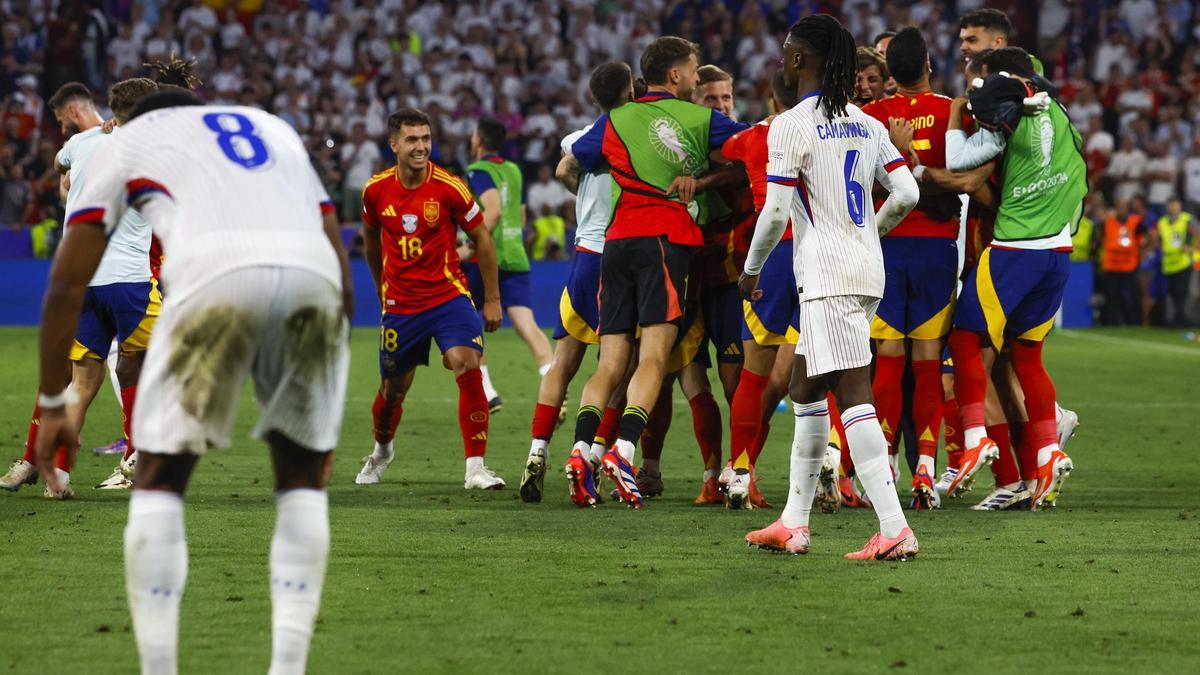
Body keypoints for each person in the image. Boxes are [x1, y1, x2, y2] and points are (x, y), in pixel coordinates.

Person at [33, 87, 354, 675]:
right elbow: (334, 244)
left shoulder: (126, 145)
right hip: (314, 281)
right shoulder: (268, 126)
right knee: (302, 479)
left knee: (158, 475)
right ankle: (288, 667)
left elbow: (63, 283)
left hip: (212, 276)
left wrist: (53, 400)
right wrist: (328, 364)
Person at [740, 14, 920, 559]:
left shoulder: (789, 125)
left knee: (852, 392)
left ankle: (894, 528)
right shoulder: (867, 124)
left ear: (800, 60)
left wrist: (750, 270)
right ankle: (794, 522)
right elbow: (907, 192)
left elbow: (774, 214)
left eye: (787, 48)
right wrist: (870, 231)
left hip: (827, 272)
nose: (782, 57)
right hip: (865, 269)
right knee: (806, 388)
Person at [565, 36, 746, 508]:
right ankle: (622, 452)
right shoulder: (701, 119)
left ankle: (582, 450)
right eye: (692, 69)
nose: (695, 76)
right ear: (676, 76)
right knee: (653, 358)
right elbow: (751, 147)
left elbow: (573, 161)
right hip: (665, 242)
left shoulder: (615, 120)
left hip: (617, 241)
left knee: (609, 363)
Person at [1, 80, 162, 498]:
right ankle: (145, 452)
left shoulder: (82, 144)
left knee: (82, 382)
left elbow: (60, 165)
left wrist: (73, 175)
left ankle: (54, 472)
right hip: (129, 281)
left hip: (83, 280)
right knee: (168, 358)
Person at [944, 47, 1088, 510]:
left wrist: (954, 114)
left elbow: (959, 161)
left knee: (966, 340)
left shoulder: (1004, 120)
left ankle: (974, 441)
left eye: (977, 80)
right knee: (1028, 354)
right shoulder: (1063, 115)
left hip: (1013, 250)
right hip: (1058, 252)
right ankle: (1047, 453)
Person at [862, 27, 989, 510]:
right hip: (938, 252)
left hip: (886, 249)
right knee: (928, 364)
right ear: (930, 66)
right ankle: (924, 472)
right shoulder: (953, 112)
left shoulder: (871, 117)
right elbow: (968, 180)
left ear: (890, 73)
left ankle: (883, 471)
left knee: (888, 362)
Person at [355, 108, 506, 490]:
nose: (421, 147)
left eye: (426, 139)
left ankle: (475, 468)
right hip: (402, 306)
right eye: (412, 139)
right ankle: (382, 451)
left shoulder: (449, 187)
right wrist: (379, 287)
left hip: (448, 296)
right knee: (393, 392)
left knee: (467, 364)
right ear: (394, 145)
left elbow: (482, 238)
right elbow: (371, 241)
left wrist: (491, 299)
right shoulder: (375, 190)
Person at [519, 61, 634, 504]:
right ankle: (592, 456)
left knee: (563, 362)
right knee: (617, 368)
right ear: (631, 91)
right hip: (620, 258)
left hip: (583, 257)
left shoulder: (581, 137)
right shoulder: (633, 136)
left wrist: (581, 193)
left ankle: (537, 451)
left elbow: (564, 168)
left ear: (593, 98)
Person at [721, 72, 806, 508]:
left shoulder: (755, 136)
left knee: (754, 375)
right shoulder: (822, 130)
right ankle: (830, 470)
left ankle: (738, 471)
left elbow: (722, 151)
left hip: (770, 259)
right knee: (824, 375)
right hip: (815, 256)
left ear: (772, 98)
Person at [463, 116, 554, 412]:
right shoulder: (514, 170)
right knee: (526, 324)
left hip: (485, 258)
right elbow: (522, 215)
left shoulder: (477, 171)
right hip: (516, 254)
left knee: (466, 322)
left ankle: (487, 391)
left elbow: (493, 212)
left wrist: (469, 246)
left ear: (478, 141)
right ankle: (554, 384)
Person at [1152, 198, 1198, 327]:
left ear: (1180, 206)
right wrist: (1159, 247)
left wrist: (1192, 248)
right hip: (1169, 263)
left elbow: (1198, 235)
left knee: (1181, 292)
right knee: (1172, 293)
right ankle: (1178, 319)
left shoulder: (1187, 220)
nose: (1173, 207)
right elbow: (1158, 239)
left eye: (1175, 204)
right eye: (1171, 205)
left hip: (1184, 261)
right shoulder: (1162, 222)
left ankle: (1181, 319)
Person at [1100, 198, 1145, 326]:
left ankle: (1135, 322)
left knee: (1132, 295)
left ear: (1127, 209)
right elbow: (1100, 237)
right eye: (1119, 207)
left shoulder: (1135, 222)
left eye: (1123, 207)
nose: (1121, 210)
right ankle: (1112, 322)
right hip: (1112, 265)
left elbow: (1147, 236)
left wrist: (1145, 251)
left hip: (1129, 265)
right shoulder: (1107, 222)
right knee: (1112, 296)